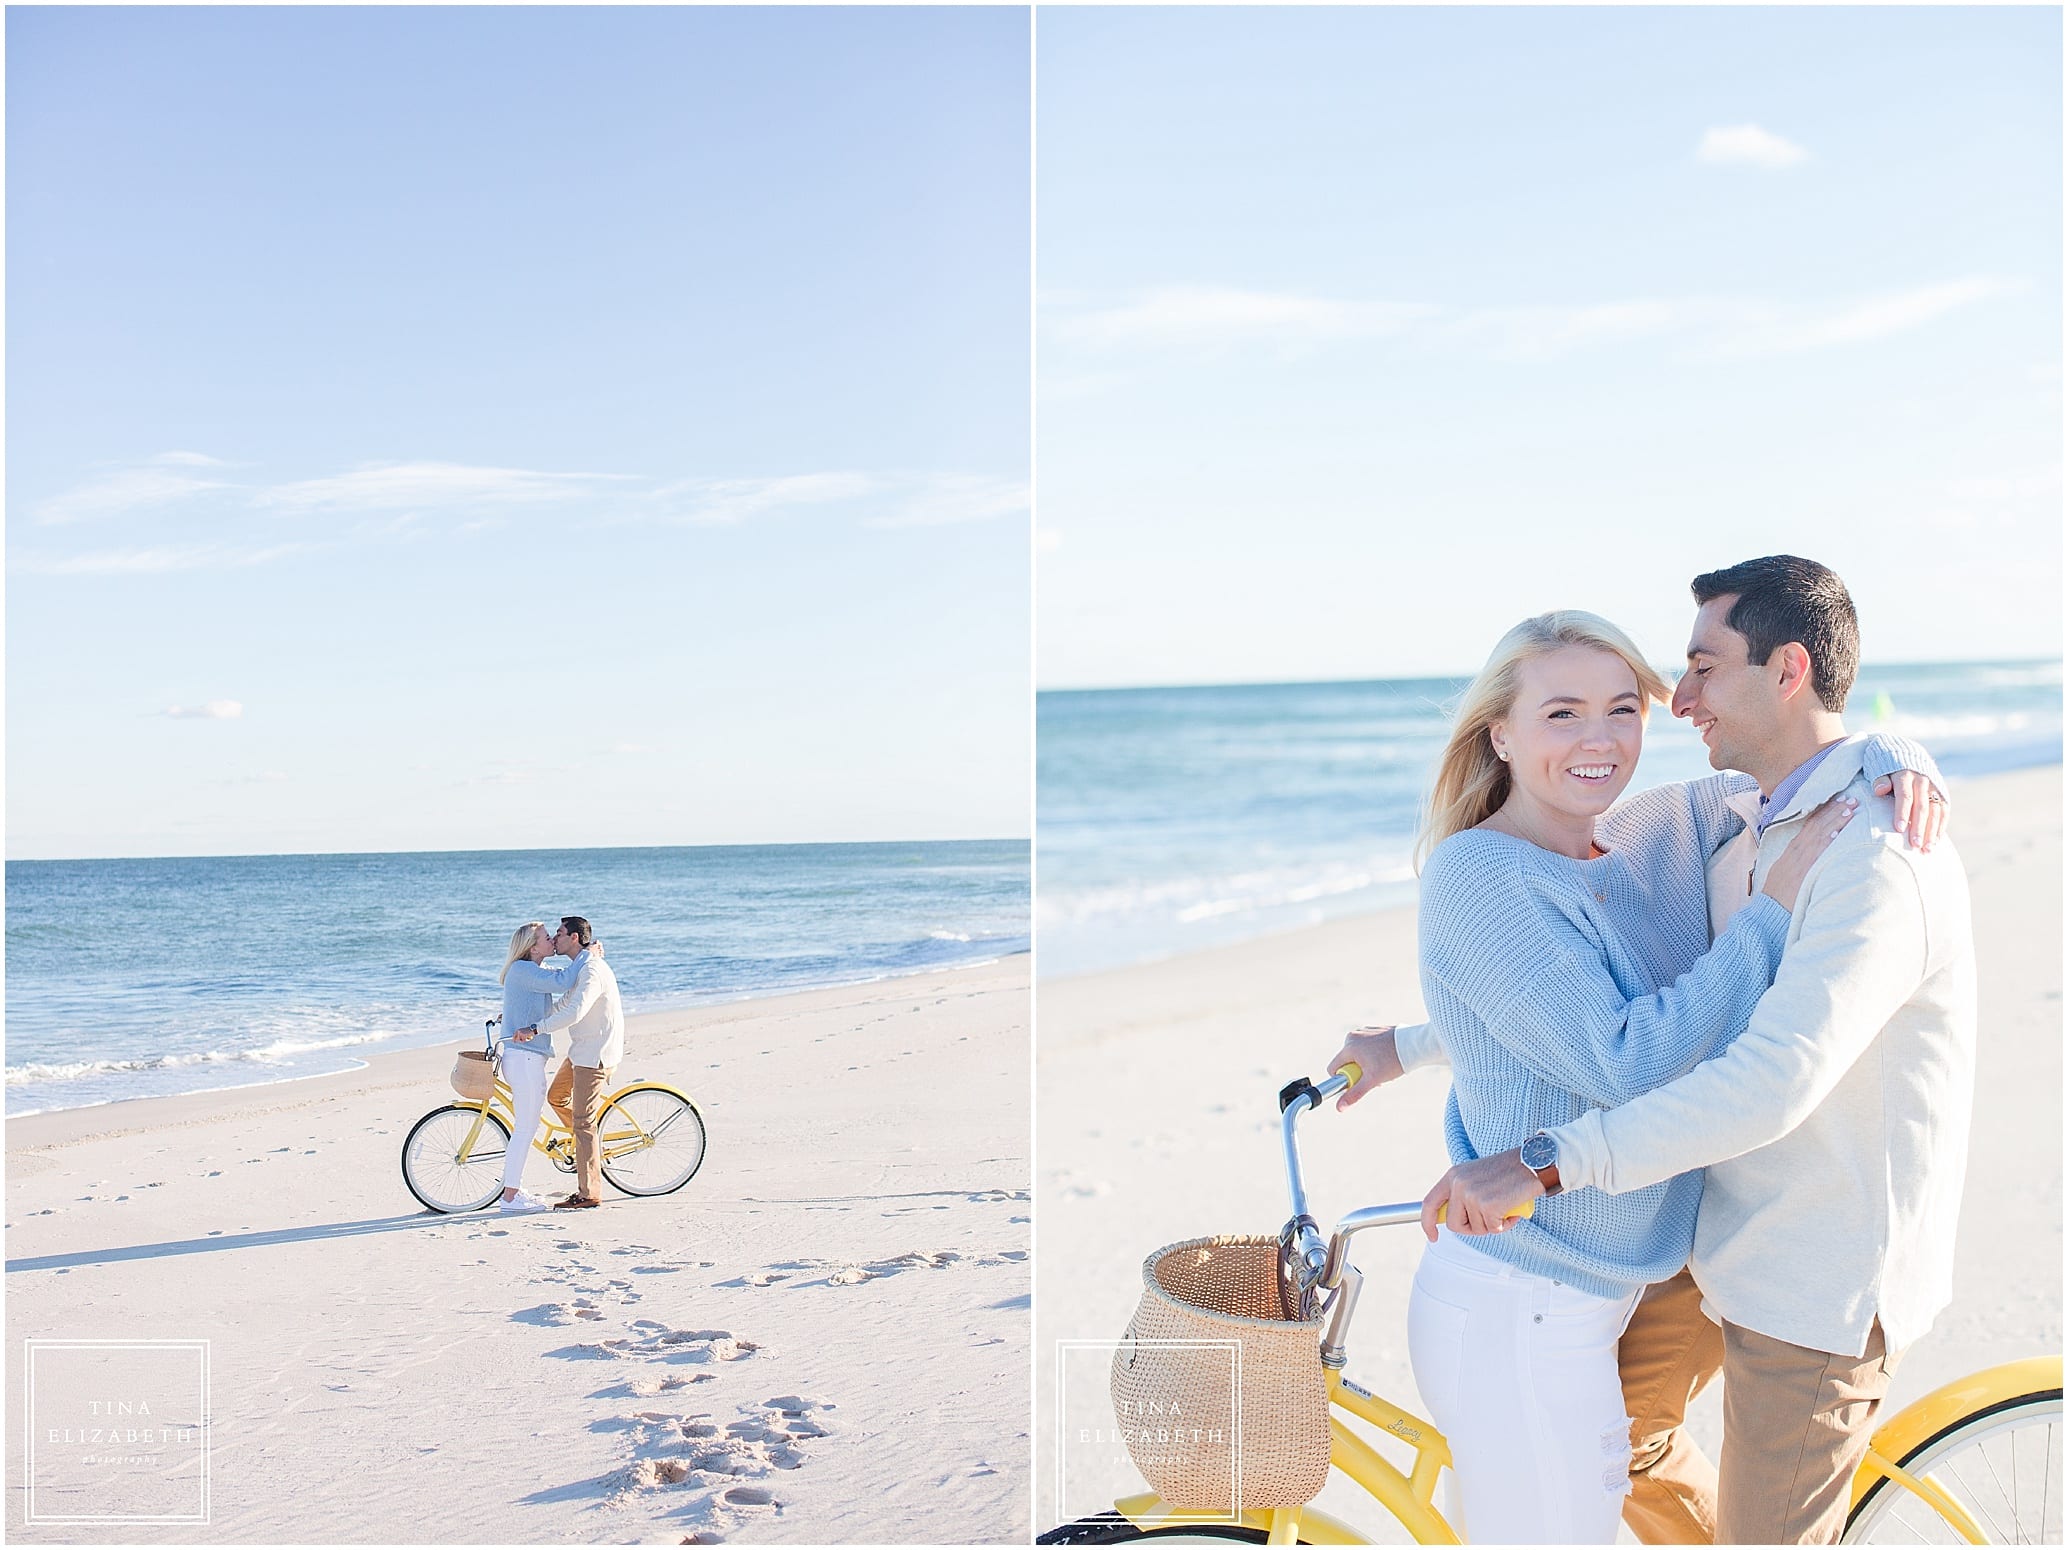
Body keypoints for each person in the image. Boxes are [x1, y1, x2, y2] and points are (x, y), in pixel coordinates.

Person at [1326, 604, 1945, 1544]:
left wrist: (1897, 751)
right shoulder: (1479, 877)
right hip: (1528, 1299)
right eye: (1562, 712)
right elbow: (1625, 1058)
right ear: (1499, 731)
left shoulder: (1647, 832)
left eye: (1623, 708)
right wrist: (1769, 918)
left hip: (1612, 1281)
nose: (1600, 738)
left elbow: (1804, 751)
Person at [513, 915, 625, 1211]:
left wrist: (537, 1030)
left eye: (559, 934)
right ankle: (589, 1147)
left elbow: (575, 1011)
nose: (555, 939)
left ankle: (589, 1192)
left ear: (574, 938)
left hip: (596, 1053)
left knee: (583, 1121)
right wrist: (532, 1022)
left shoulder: (591, 970)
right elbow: (563, 1003)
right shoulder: (582, 968)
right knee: (556, 1097)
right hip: (581, 1050)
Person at [493, 921, 589, 1214]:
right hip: (524, 1059)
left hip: (524, 1058)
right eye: (547, 938)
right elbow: (563, 981)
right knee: (525, 1128)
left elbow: (559, 990)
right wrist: (589, 954)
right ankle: (510, 1197)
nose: (551, 941)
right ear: (533, 947)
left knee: (525, 1126)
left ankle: (513, 1191)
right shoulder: (524, 971)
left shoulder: (532, 972)